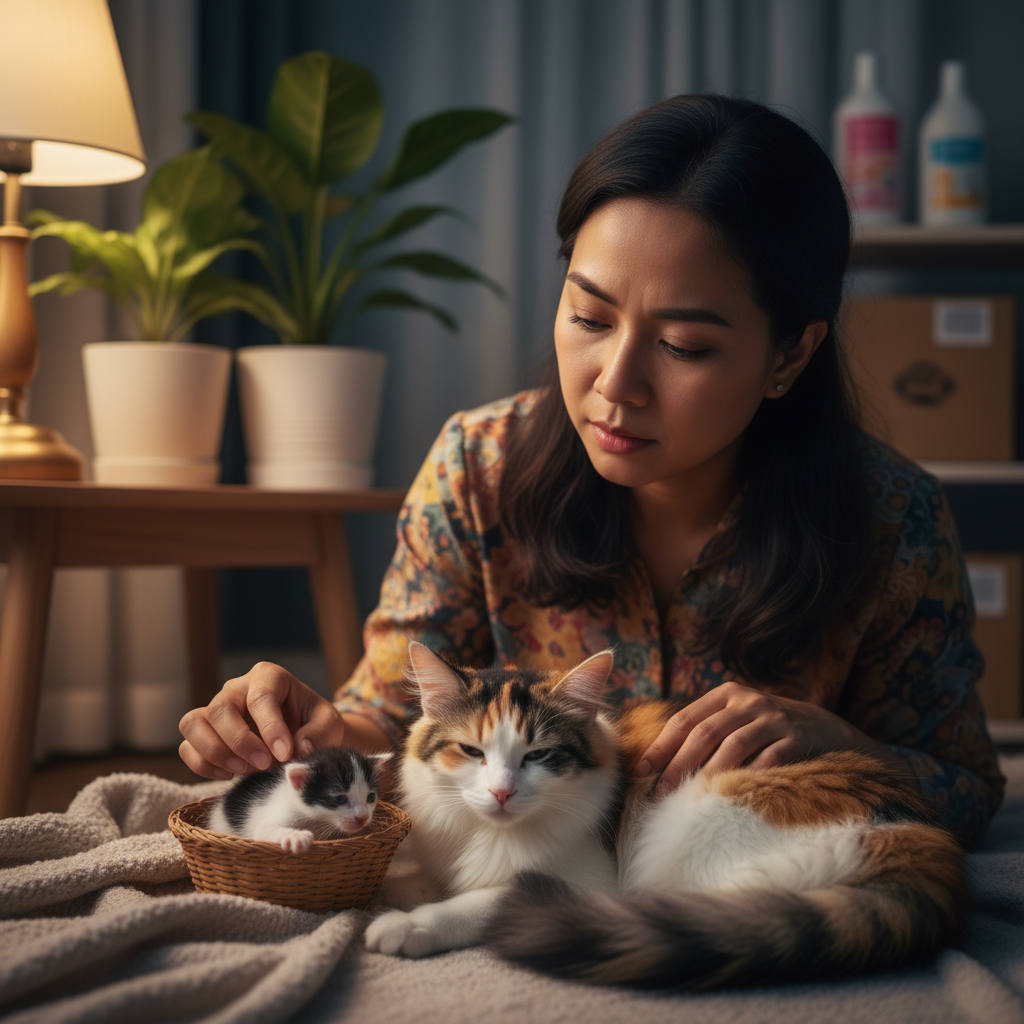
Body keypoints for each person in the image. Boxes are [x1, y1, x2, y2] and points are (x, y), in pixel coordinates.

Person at [179, 94, 1004, 847]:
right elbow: (388, 724)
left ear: (790, 354)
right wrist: (310, 727)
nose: (615, 384)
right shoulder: (478, 470)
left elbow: (966, 788)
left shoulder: (892, 517)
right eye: (589, 316)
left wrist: (839, 740)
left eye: (684, 346)